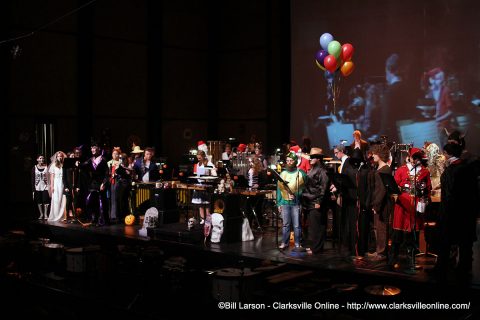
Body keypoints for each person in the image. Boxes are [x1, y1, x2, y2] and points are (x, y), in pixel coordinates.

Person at [433, 143, 477, 282]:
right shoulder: (469, 168)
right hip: (467, 212)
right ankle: (464, 269)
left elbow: (449, 194)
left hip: (451, 212)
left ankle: (441, 268)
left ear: (446, 153)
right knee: (465, 243)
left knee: (445, 242)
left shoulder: (452, 170)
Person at [391, 148, 431, 267]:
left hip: (416, 204)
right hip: (403, 203)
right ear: (410, 157)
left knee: (413, 234)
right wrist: (395, 196)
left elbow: (428, 188)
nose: (416, 159)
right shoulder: (401, 170)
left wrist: (425, 199)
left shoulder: (425, 172)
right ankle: (393, 258)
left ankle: (412, 259)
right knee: (397, 233)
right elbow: (394, 185)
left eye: (418, 157)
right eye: (414, 157)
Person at [379, 53, 417, 144]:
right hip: (411, 139)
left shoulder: (389, 93)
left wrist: (375, 142)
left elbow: (386, 126)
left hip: (394, 143)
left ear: (389, 70)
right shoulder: (410, 88)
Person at [368, 144, 395, 261]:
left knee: (382, 228)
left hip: (383, 204)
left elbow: (383, 190)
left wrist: (377, 205)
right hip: (377, 202)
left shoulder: (385, 169)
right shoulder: (378, 168)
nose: (372, 155)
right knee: (377, 228)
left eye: (374, 153)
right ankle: (378, 250)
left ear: (379, 155)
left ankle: (382, 253)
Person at [276, 151, 306, 251]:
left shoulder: (300, 173)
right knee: (285, 224)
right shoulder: (283, 173)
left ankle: (298, 243)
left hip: (295, 203)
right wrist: (279, 203)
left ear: (295, 161)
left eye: (291, 160)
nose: (288, 162)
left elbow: (304, 189)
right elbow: (279, 189)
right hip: (285, 202)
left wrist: (297, 195)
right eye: (287, 160)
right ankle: (285, 242)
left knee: (297, 225)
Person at [301, 148, 329, 254]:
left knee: (318, 226)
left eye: (312, 157)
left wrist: (319, 201)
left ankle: (316, 248)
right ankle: (314, 246)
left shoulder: (322, 171)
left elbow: (323, 187)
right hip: (309, 200)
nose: (310, 159)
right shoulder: (313, 169)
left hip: (316, 201)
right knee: (313, 226)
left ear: (318, 159)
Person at [79, 142, 109, 226]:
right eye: (91, 148)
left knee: (101, 203)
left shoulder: (103, 160)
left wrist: (104, 183)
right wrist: (78, 164)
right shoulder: (90, 160)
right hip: (93, 184)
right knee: (91, 201)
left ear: (98, 149)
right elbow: (83, 165)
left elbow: (107, 174)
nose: (92, 149)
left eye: (94, 148)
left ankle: (101, 220)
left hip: (101, 183)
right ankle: (94, 218)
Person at [47, 151, 68, 222]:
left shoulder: (64, 165)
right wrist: (52, 186)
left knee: (62, 199)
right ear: (56, 157)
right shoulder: (53, 165)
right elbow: (52, 177)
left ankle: (62, 215)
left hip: (62, 183)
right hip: (56, 183)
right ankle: (56, 215)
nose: (60, 157)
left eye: (61, 156)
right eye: (58, 156)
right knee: (56, 200)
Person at [31, 154, 50, 220]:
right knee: (39, 201)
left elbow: (49, 177)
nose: (42, 159)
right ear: (37, 159)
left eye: (42, 158)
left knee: (45, 200)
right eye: (40, 158)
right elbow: (32, 179)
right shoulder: (34, 167)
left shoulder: (47, 167)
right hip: (37, 187)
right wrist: (33, 190)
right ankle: (41, 214)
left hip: (46, 186)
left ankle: (45, 214)